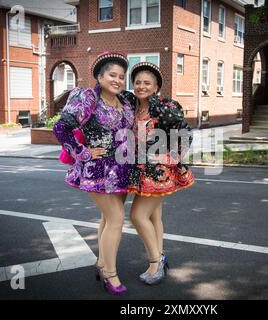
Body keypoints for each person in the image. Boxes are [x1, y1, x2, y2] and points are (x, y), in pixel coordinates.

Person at [53, 52, 135, 295]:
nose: (118, 80)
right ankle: (110, 274)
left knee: (107, 219)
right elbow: (61, 127)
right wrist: (82, 152)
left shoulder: (126, 101)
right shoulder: (88, 98)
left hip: (122, 168)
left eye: (121, 76)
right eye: (112, 75)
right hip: (98, 170)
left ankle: (101, 264)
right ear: (99, 76)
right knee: (117, 219)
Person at [127, 62, 195, 285]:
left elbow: (185, 134)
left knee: (137, 216)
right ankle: (159, 259)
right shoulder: (135, 107)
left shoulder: (165, 106)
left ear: (156, 86)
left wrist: (169, 158)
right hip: (141, 171)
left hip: (160, 173)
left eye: (147, 82)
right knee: (154, 217)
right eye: (137, 82)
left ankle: (155, 263)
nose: (141, 86)